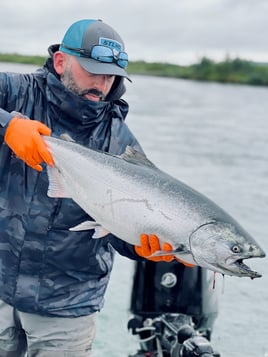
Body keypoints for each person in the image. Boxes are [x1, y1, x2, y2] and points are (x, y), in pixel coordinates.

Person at [0, 19, 178, 357]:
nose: (102, 83)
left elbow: (114, 229)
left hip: (68, 308)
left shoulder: (120, 143)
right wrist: (8, 125)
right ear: (61, 61)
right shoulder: (14, 91)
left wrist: (139, 246)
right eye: (93, 71)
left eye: (111, 76)